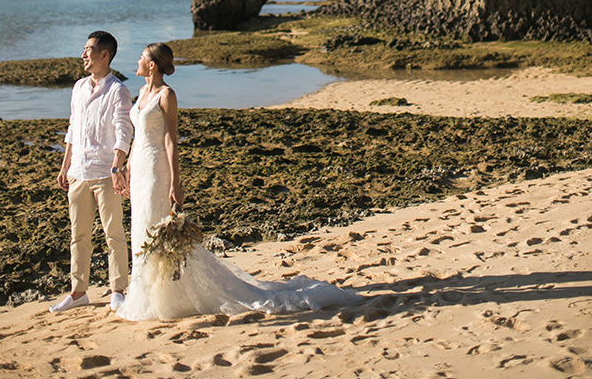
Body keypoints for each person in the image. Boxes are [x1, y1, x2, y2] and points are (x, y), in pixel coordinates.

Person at [115, 42, 361, 321]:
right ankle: (147, 294)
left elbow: (171, 140)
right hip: (140, 171)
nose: (136, 61)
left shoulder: (166, 95)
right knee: (141, 228)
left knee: (156, 228)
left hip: (158, 171)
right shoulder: (141, 94)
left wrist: (175, 183)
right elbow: (137, 140)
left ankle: (168, 295)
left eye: (141, 58)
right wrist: (127, 168)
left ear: (152, 65)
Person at [50, 30, 132, 313]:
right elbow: (73, 128)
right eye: (84, 49)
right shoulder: (79, 87)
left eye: (89, 49)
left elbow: (124, 131)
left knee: (113, 234)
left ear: (104, 54)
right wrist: (65, 167)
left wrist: (117, 166)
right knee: (78, 235)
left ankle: (118, 289)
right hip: (78, 172)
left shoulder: (118, 90)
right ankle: (78, 292)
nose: (83, 54)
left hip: (104, 173)